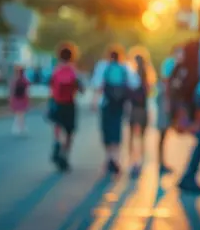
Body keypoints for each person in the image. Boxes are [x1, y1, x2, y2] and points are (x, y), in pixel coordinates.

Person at [171, 37, 200, 193]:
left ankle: (191, 176)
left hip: (189, 111)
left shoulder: (182, 69)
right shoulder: (195, 72)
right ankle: (188, 177)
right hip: (196, 110)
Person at [91, 45, 138, 174]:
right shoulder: (125, 67)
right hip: (120, 103)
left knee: (106, 129)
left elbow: (97, 85)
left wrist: (94, 101)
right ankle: (115, 157)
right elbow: (134, 84)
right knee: (117, 129)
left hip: (106, 102)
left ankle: (109, 157)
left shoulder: (103, 66)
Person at [48, 43, 82, 171]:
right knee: (69, 132)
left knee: (57, 126)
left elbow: (51, 87)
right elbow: (79, 88)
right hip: (69, 103)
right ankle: (65, 155)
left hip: (57, 102)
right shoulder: (73, 71)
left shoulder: (56, 70)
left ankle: (57, 143)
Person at [126, 46, 157, 176]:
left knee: (132, 137)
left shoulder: (132, 75)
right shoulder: (148, 76)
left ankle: (133, 162)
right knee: (142, 138)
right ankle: (140, 161)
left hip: (134, 109)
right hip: (143, 109)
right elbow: (150, 92)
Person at [157, 45, 182, 174]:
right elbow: (166, 82)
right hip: (165, 100)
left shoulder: (174, 64)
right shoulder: (170, 63)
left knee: (165, 132)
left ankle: (162, 161)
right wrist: (167, 102)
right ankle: (160, 162)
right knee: (163, 131)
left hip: (168, 100)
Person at [10, 65, 30, 135]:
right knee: (21, 114)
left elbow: (12, 90)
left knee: (18, 114)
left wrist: (10, 99)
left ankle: (18, 127)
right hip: (23, 98)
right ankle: (21, 127)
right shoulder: (25, 80)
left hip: (16, 98)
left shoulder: (14, 79)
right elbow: (27, 90)